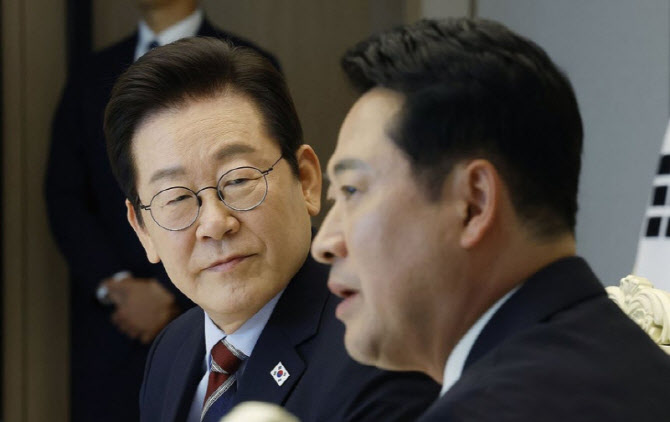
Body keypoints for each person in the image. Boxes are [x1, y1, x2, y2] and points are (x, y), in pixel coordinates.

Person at [311, 17, 670, 421]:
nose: (324, 243)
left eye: (352, 191)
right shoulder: (638, 367)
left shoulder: (485, 411)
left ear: (474, 204)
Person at [103, 36, 439, 422]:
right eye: (176, 198)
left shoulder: (381, 346)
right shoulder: (172, 350)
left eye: (238, 180)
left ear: (307, 180)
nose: (214, 224)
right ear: (143, 229)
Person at [45, 1, 279, 420]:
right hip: (114, 322)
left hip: (212, 308)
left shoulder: (245, 63)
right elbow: (65, 194)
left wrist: (166, 293)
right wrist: (118, 285)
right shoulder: (91, 74)